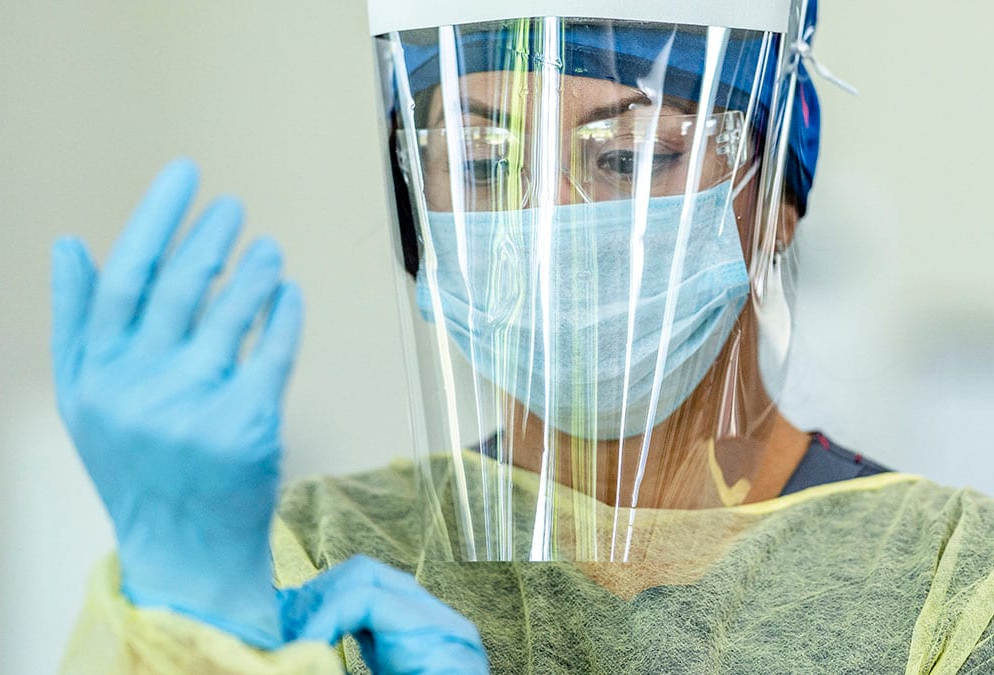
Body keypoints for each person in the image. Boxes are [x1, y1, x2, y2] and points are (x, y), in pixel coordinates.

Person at [54, 2, 994, 673]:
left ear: (778, 194)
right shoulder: (313, 562)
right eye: (477, 159)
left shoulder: (951, 586)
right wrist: (185, 614)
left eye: (631, 155)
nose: (544, 220)